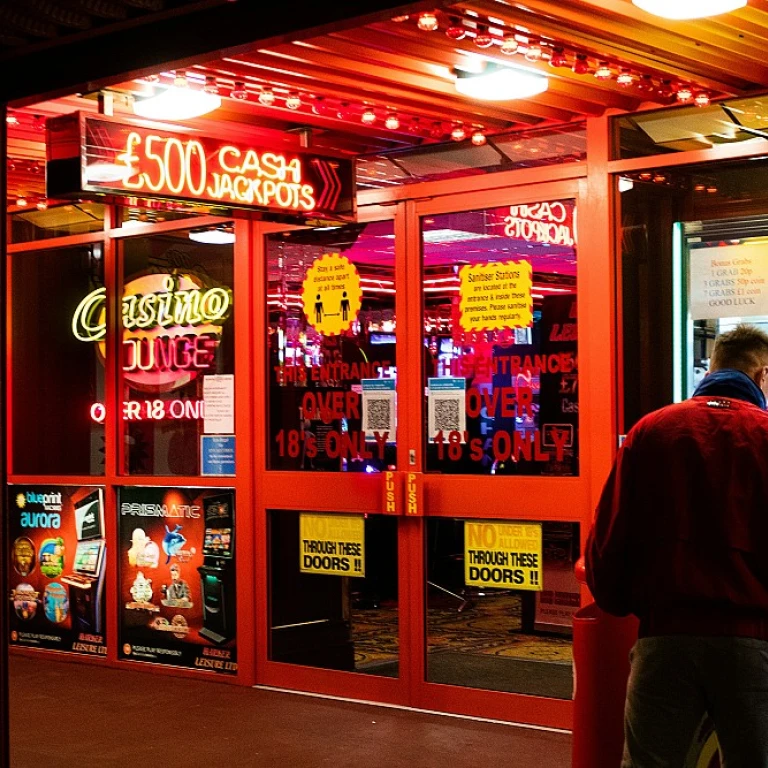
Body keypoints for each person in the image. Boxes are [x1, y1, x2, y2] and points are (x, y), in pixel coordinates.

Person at [585, 323, 768, 767]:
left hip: (665, 637)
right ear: (761, 375)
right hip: (751, 641)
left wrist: (627, 601)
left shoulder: (652, 430)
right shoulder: (764, 434)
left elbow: (610, 535)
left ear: (715, 367)